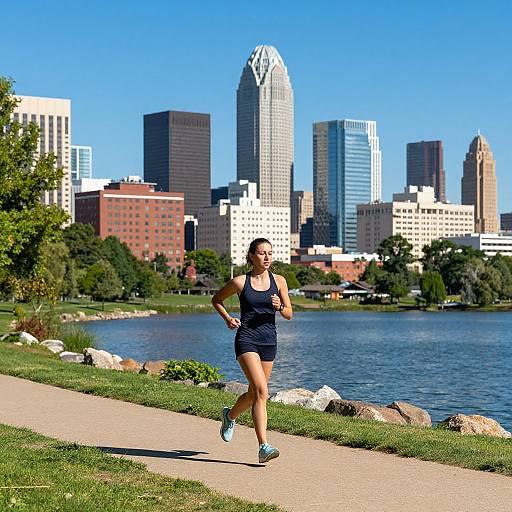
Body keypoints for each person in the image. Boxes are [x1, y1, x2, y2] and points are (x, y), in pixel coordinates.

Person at [211, 238, 293, 463]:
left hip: (269, 341)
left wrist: (280, 307)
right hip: (246, 340)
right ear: (251, 256)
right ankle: (263, 446)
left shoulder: (280, 281)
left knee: (253, 394)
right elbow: (216, 299)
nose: (267, 257)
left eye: (270, 253)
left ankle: (230, 415)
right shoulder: (240, 282)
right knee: (262, 392)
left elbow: (289, 314)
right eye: (262, 253)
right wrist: (228, 318)